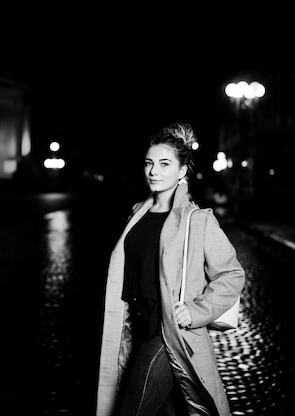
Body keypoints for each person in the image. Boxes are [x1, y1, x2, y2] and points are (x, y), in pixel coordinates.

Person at [95, 122, 245, 416]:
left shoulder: (197, 220)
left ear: (182, 171)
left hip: (167, 335)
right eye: (149, 163)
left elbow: (231, 274)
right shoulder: (137, 213)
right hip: (138, 328)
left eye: (165, 164)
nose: (154, 171)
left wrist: (196, 310)